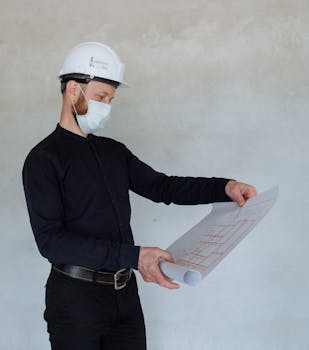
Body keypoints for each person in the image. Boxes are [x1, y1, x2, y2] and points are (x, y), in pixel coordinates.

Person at [21, 42, 257, 350]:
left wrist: (223, 187)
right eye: (101, 97)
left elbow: (163, 187)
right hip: (74, 302)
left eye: (111, 99)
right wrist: (134, 256)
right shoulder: (44, 159)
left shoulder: (113, 152)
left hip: (125, 297)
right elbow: (51, 241)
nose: (107, 106)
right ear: (73, 90)